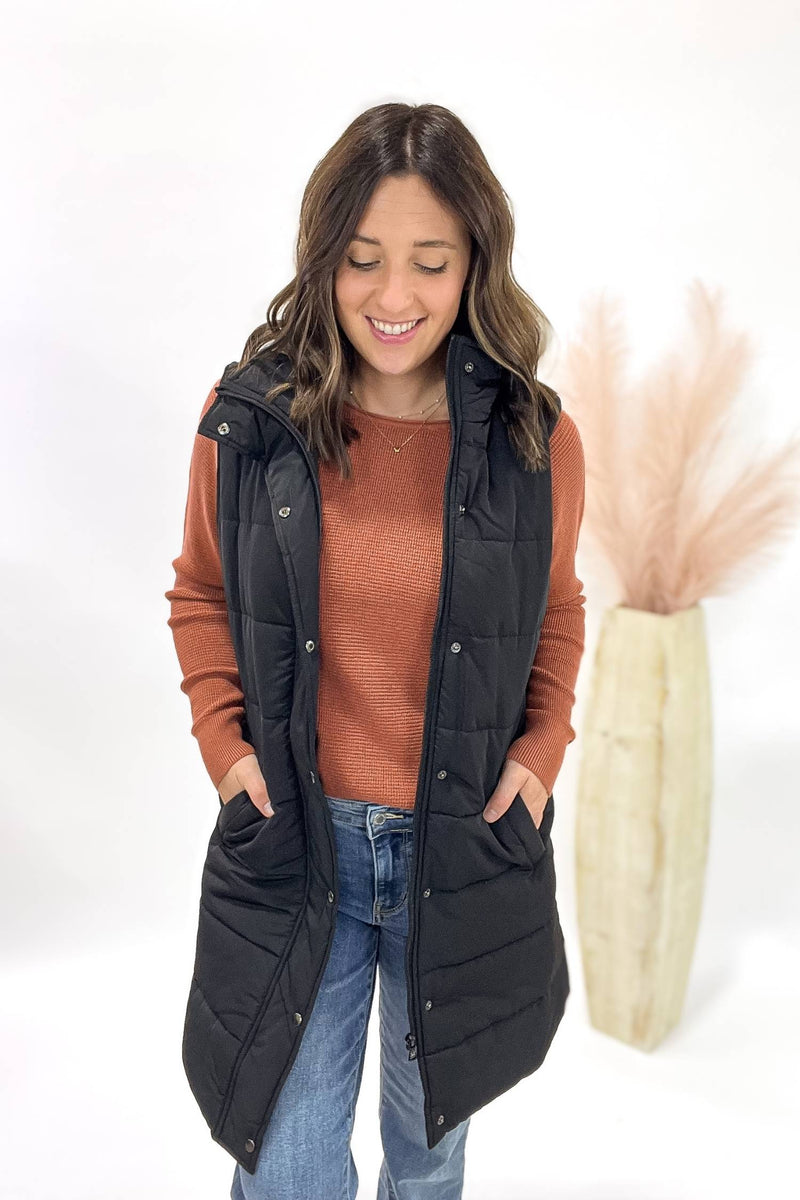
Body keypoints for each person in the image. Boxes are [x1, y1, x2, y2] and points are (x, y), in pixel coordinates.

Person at [165, 101, 586, 1200]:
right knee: (288, 1164)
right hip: (299, 843)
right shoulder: (248, 421)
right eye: (361, 261)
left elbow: (554, 608)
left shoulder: (532, 439)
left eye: (429, 264)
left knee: (428, 1152)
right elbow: (201, 593)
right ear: (322, 259)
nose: (392, 298)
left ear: (472, 266)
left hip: (459, 847)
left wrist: (540, 753)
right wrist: (229, 756)